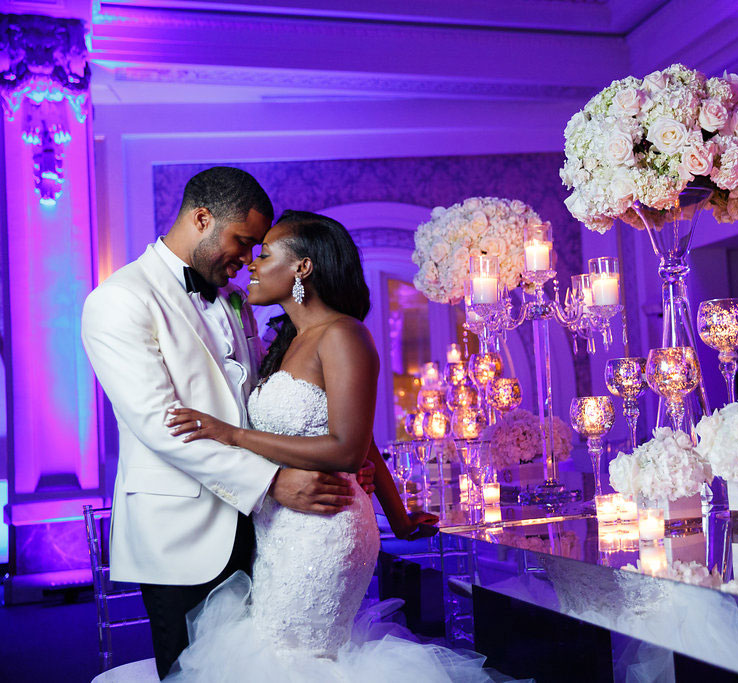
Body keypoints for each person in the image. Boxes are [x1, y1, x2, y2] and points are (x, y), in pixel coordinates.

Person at [161, 210, 499, 681]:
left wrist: (231, 434)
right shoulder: (291, 340)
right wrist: (399, 517)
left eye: (265, 256)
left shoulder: (344, 335)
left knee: (294, 656)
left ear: (302, 267)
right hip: (279, 526)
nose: (252, 267)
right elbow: (368, 444)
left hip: (325, 528)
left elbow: (347, 448)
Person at [81, 168, 375, 679]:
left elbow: (258, 403)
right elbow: (161, 425)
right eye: (242, 243)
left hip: (267, 533)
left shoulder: (236, 301)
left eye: (257, 249)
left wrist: (347, 463)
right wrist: (273, 483)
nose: (246, 262)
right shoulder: (119, 299)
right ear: (201, 219)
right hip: (183, 535)